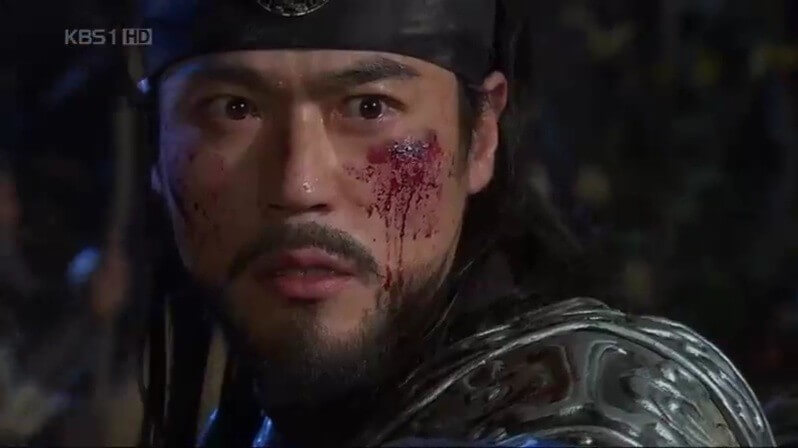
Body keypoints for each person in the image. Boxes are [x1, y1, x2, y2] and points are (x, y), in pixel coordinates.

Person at [134, 1, 776, 446]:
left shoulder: (597, 429)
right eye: (235, 109)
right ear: (156, 147)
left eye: (370, 107)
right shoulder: (257, 420)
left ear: (481, 138)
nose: (299, 187)